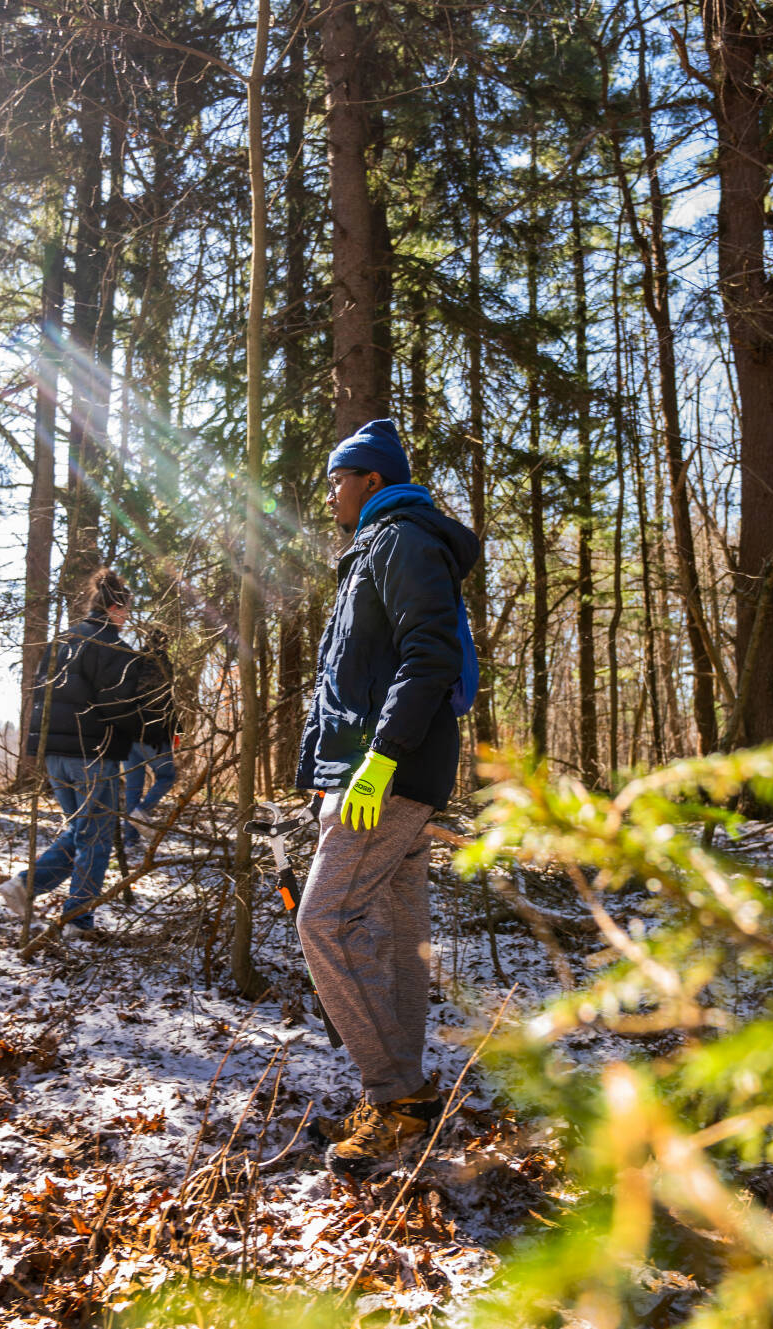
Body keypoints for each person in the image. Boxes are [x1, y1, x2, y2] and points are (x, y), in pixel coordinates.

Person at [293, 417, 481, 1181]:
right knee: (400, 934)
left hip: (390, 775)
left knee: (322, 919)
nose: (330, 492)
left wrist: (377, 761)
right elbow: (352, 678)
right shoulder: (380, 546)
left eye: (339, 478)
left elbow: (429, 652)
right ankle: (409, 1098)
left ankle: (392, 1094)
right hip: (389, 773)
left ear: (371, 479)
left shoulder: (401, 538)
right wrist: (327, 764)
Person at [0, 568, 160, 933]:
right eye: (126, 610)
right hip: (92, 754)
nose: (128, 617)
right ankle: (72, 916)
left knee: (82, 833)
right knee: (96, 838)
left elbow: (43, 696)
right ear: (116, 607)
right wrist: (143, 724)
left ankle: (29, 889)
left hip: (54, 755)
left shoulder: (63, 639)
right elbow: (119, 707)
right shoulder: (112, 647)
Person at [122, 627, 178, 853]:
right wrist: (175, 732)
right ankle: (142, 814)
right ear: (165, 644)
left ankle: (130, 841)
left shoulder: (132, 662)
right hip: (153, 735)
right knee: (167, 776)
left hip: (128, 735)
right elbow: (167, 702)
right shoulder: (164, 664)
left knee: (132, 789)